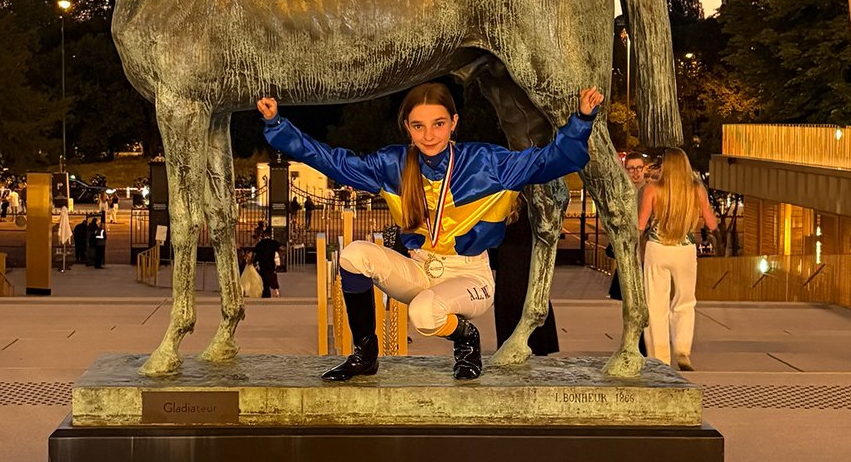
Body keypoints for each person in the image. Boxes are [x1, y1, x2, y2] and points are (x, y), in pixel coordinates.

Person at [257, 82, 601, 380]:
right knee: (353, 255)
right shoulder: (392, 164)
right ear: (407, 127)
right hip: (419, 269)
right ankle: (365, 354)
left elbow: (550, 160)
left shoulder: (487, 162)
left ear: (454, 123)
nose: (429, 135)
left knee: (423, 313)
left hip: (469, 278)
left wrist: (582, 120)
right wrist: (277, 125)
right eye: (418, 126)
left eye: (438, 124)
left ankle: (467, 338)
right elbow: (333, 161)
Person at [637, 147, 718, 371]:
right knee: (685, 301)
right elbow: (712, 224)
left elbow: (641, 224)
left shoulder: (652, 189)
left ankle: (660, 356)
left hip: (657, 247)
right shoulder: (696, 190)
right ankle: (682, 350)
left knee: (655, 304)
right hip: (685, 249)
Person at [490, 199, 559, 356]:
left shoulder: (505, 202)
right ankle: (539, 344)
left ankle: (511, 343)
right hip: (526, 257)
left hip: (509, 259)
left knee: (510, 299)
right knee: (531, 294)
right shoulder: (534, 204)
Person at [608, 151, 648, 301]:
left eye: (639, 168)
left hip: (644, 252)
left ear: (644, 169)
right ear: (625, 170)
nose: (636, 172)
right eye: (631, 168)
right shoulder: (621, 193)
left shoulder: (649, 192)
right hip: (627, 251)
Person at [253, 232, 281, 297]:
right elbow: (281, 247)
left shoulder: (260, 244)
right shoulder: (273, 243)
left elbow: (256, 254)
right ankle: (267, 291)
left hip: (262, 264)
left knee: (264, 278)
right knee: (269, 276)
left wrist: (254, 262)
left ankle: (266, 291)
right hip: (271, 263)